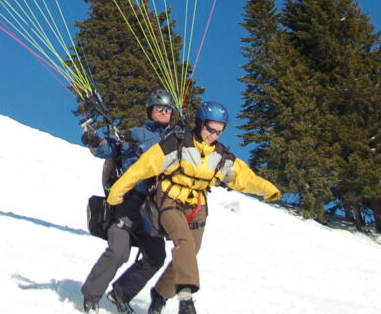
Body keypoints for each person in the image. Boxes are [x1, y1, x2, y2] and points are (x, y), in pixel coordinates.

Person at [106, 101, 280, 314]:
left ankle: (160, 293)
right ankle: (185, 299)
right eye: (210, 129)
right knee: (184, 243)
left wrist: (267, 189)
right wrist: (117, 193)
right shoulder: (177, 144)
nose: (213, 135)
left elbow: (244, 177)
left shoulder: (220, 155)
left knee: (191, 251)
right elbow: (142, 168)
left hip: (197, 205)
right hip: (169, 200)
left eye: (219, 131)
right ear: (200, 124)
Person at [81, 89, 178, 313]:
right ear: (151, 110)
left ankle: (120, 294)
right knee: (119, 252)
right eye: (159, 108)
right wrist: (94, 141)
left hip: (153, 212)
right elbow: (110, 149)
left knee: (156, 256)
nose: (164, 112)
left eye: (168, 109)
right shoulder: (137, 134)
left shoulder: (178, 139)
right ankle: (91, 297)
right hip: (128, 204)